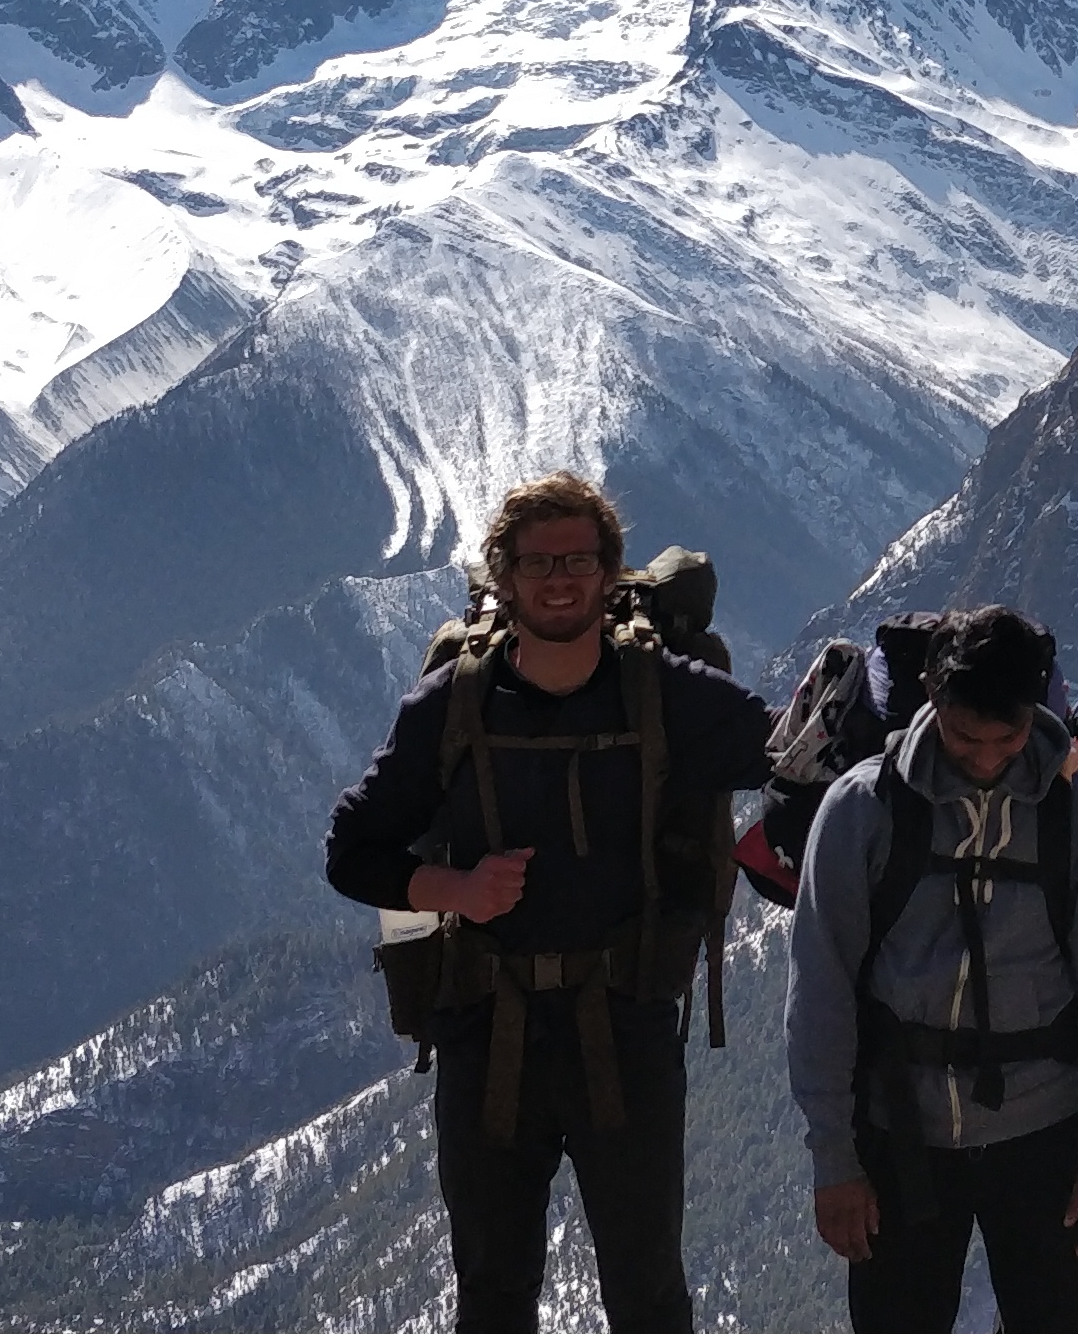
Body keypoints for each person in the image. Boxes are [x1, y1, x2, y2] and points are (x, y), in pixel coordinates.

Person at [321, 473, 774, 1334]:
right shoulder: (451, 705)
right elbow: (352, 850)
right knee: (493, 1292)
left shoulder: (668, 692)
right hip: (488, 1028)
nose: (559, 579)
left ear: (609, 573)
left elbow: (795, 752)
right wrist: (453, 890)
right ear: (504, 577)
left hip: (625, 1025)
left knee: (646, 1291)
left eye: (577, 559)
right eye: (538, 562)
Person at [789, 605, 1078, 1334]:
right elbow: (820, 992)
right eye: (963, 737)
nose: (985, 759)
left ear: (1037, 707)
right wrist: (834, 1158)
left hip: (1046, 1139)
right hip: (899, 1138)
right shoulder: (863, 807)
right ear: (930, 696)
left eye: (1006, 738)